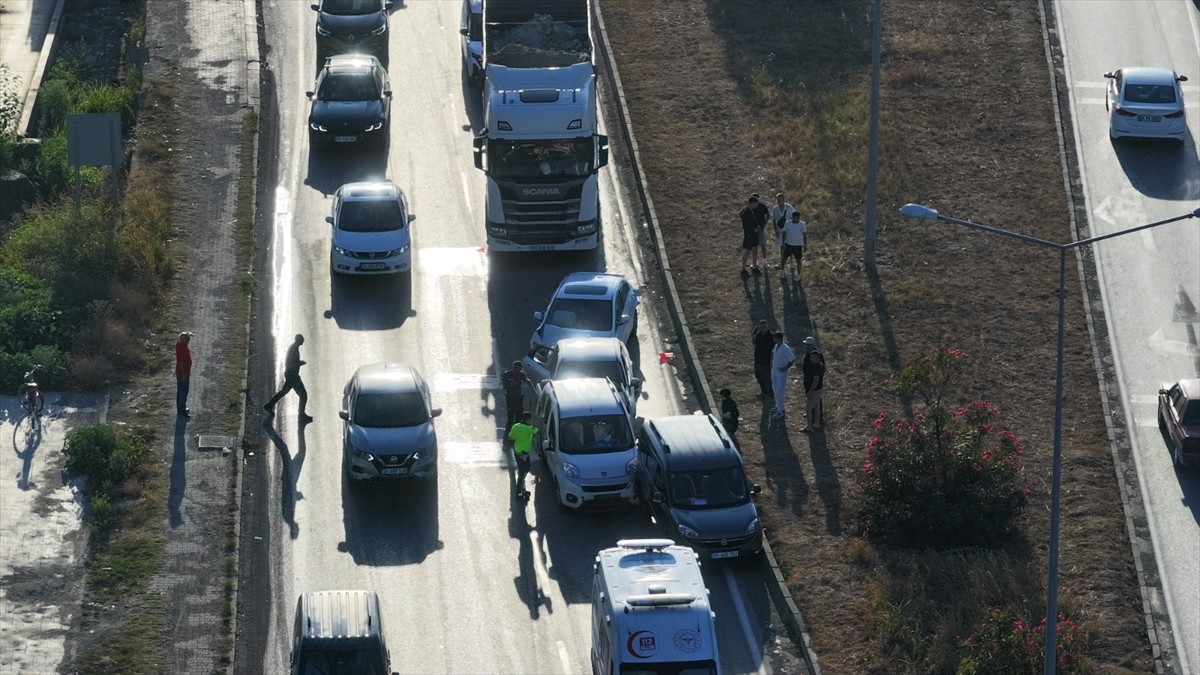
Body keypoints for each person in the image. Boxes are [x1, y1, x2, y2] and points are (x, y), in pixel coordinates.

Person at [264, 333, 313, 422]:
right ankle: (301, 415)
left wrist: (299, 362)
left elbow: (291, 362)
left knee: (284, 392)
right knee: (303, 395)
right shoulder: (293, 350)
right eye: (302, 339)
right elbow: (290, 364)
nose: (303, 341)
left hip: (291, 375)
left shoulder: (294, 348)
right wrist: (299, 363)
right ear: (298, 340)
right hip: (292, 376)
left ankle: (269, 405)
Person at [507, 411, 538, 499]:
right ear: (528, 419)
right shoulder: (529, 428)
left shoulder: (516, 426)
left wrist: (519, 436)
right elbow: (536, 431)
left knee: (522, 470)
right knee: (524, 471)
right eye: (530, 419)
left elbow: (510, 437)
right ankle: (518, 492)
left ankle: (521, 488)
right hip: (524, 454)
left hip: (517, 451)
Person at [801, 337, 826, 432]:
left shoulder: (817, 360)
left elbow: (816, 378)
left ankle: (810, 425)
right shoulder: (810, 354)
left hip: (813, 386)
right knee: (816, 405)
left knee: (809, 407)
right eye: (806, 345)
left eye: (808, 345)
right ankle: (816, 422)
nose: (806, 346)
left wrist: (811, 390)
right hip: (810, 382)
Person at [500, 360, 531, 436]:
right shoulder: (507, 375)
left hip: (519, 398)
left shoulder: (521, 374)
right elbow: (504, 386)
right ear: (514, 368)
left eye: (520, 369)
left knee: (518, 418)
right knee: (510, 419)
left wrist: (529, 382)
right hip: (510, 399)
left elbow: (526, 379)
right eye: (517, 369)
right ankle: (507, 436)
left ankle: (515, 433)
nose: (518, 371)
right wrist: (510, 385)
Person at [770, 331, 795, 419]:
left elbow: (792, 359)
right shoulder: (776, 346)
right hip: (774, 370)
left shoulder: (786, 349)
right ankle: (778, 406)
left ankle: (780, 412)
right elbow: (773, 355)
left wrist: (786, 368)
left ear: (777, 338)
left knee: (780, 391)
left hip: (781, 373)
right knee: (775, 389)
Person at [739, 195, 764, 277]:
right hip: (749, 235)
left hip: (754, 234)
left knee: (754, 250)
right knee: (747, 251)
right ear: (752, 203)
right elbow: (746, 225)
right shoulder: (746, 212)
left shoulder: (752, 211)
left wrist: (757, 226)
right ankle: (743, 269)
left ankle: (754, 266)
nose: (757, 205)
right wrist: (753, 229)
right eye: (756, 203)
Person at [781, 210, 808, 282]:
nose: (797, 219)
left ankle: (798, 274)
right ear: (792, 217)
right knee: (784, 258)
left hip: (798, 245)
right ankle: (782, 270)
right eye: (795, 218)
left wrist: (805, 245)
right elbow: (784, 232)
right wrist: (783, 243)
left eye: (798, 218)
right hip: (788, 244)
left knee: (798, 260)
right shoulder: (787, 223)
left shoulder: (802, 224)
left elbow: (804, 235)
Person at [771, 192, 795, 268]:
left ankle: (792, 263)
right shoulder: (775, 209)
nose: (780, 201)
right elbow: (774, 220)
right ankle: (781, 263)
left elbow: (793, 218)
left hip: (789, 229)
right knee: (782, 247)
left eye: (781, 199)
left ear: (784, 199)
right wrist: (775, 231)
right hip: (780, 230)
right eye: (779, 200)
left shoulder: (789, 207)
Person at [751, 320, 775, 397]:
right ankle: (764, 392)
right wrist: (753, 336)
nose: (763, 328)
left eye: (764, 327)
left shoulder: (771, 337)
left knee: (767, 378)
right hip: (758, 360)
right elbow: (755, 343)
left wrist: (772, 361)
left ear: (768, 327)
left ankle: (770, 394)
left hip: (766, 362)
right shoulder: (759, 335)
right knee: (758, 376)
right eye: (761, 327)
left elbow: (774, 350)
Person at [751, 192, 771, 268]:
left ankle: (765, 261)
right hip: (753, 229)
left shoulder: (762, 206)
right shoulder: (750, 207)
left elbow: (768, 215)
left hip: (761, 229)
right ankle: (755, 262)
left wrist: (764, 224)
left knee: (763, 245)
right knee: (754, 247)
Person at [175, 331, 193, 417]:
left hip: (181, 373)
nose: (189, 340)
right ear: (183, 340)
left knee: (180, 391)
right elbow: (181, 363)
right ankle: (182, 410)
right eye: (187, 339)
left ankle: (180, 409)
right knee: (183, 392)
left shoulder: (180, 344)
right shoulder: (182, 349)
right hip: (183, 374)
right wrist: (184, 375)